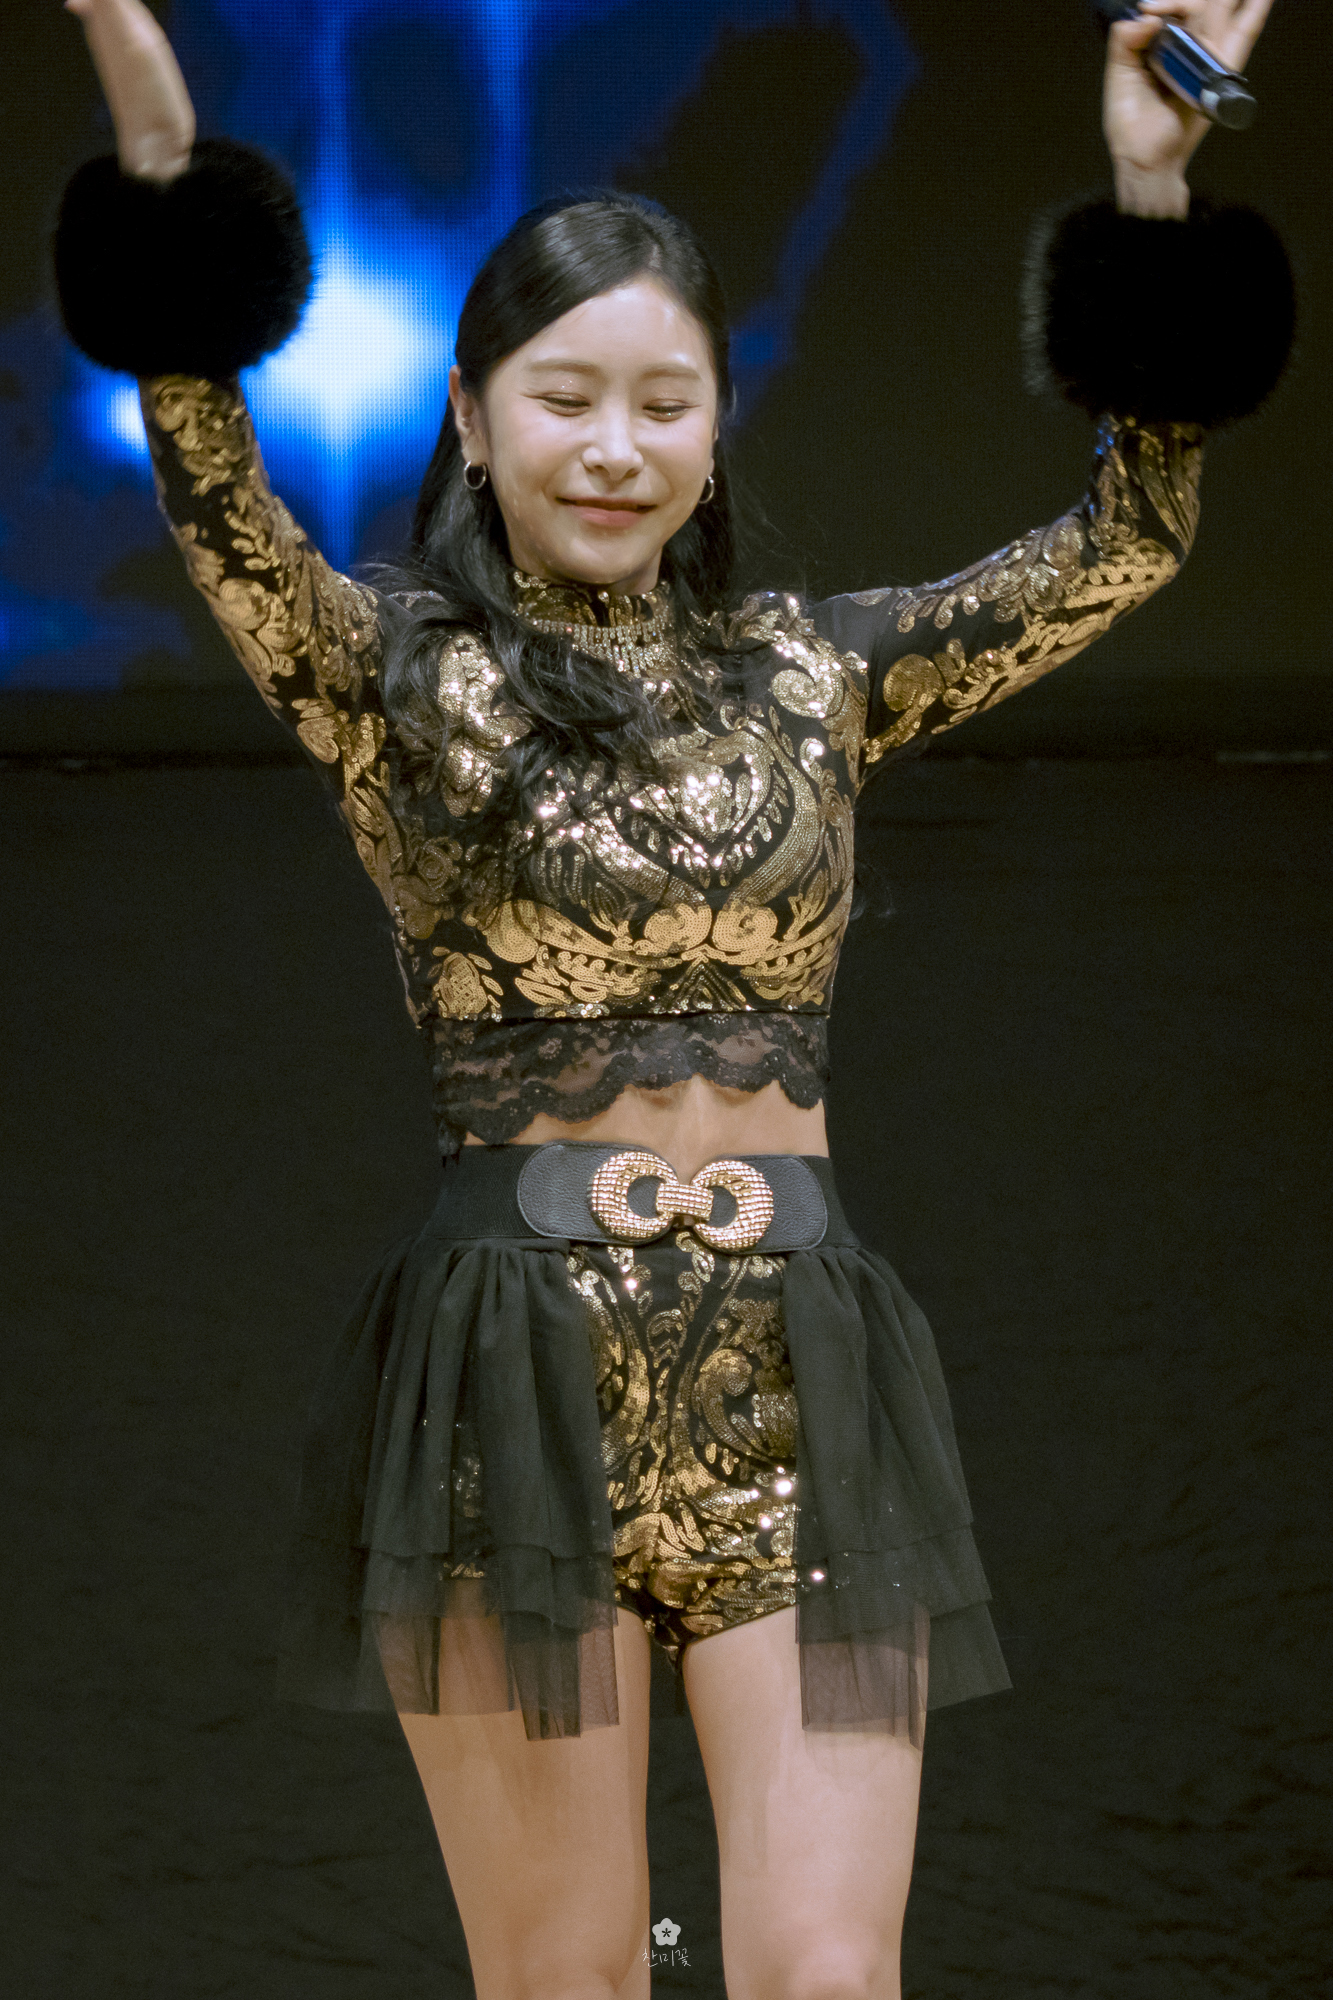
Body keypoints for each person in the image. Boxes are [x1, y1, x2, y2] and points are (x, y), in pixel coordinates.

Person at [54, 2, 1291, 1995]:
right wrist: (155, 165)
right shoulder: (393, 677)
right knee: (573, 1978)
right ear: (471, 419)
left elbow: (1127, 537)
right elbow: (213, 488)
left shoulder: (820, 670)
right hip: (508, 1384)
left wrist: (1151, 193)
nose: (615, 446)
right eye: (563, 397)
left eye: (664, 399)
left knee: (827, 1974)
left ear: (718, 423)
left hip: (800, 1376)